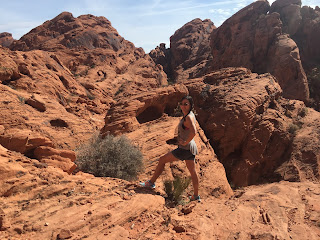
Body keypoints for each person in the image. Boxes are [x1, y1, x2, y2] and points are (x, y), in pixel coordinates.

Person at [139, 95, 200, 202]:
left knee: (162, 160)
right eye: (182, 104)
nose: (183, 106)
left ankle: (151, 183)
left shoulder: (189, 117)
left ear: (190, 105)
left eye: (186, 104)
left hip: (185, 149)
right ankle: (196, 196)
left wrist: (185, 141)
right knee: (193, 172)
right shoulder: (191, 115)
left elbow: (194, 131)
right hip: (192, 149)